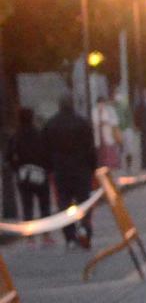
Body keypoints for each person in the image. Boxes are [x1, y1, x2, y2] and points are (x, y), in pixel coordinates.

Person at [43, 95, 97, 249]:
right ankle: (85, 230)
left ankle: (69, 236)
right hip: (81, 169)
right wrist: (93, 167)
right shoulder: (82, 123)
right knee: (84, 203)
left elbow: (46, 150)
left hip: (61, 171)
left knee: (64, 203)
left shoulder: (51, 124)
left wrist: (50, 168)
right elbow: (90, 148)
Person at [8, 109, 55, 249]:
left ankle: (30, 238)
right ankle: (46, 236)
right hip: (41, 173)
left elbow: (9, 156)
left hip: (24, 175)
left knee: (27, 206)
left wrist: (17, 168)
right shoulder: (40, 134)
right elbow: (48, 153)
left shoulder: (16, 136)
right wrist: (48, 170)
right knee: (44, 206)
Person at [93, 94, 124, 173]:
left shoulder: (109, 110)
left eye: (102, 103)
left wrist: (107, 122)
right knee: (100, 151)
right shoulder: (94, 111)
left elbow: (115, 121)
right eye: (99, 103)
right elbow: (94, 122)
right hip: (99, 136)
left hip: (108, 134)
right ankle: (102, 166)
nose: (101, 105)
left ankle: (110, 166)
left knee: (109, 150)